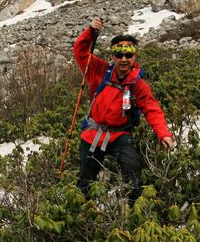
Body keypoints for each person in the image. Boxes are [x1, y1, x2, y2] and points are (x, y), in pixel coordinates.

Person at [73, 17, 175, 205]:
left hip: (120, 134)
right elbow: (80, 51)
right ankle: (82, 211)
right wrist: (90, 32)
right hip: (93, 133)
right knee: (85, 179)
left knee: (132, 170)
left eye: (128, 55)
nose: (124, 59)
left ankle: (133, 211)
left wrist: (163, 134)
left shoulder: (138, 84)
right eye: (119, 55)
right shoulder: (99, 70)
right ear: (112, 56)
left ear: (135, 57)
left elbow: (152, 109)